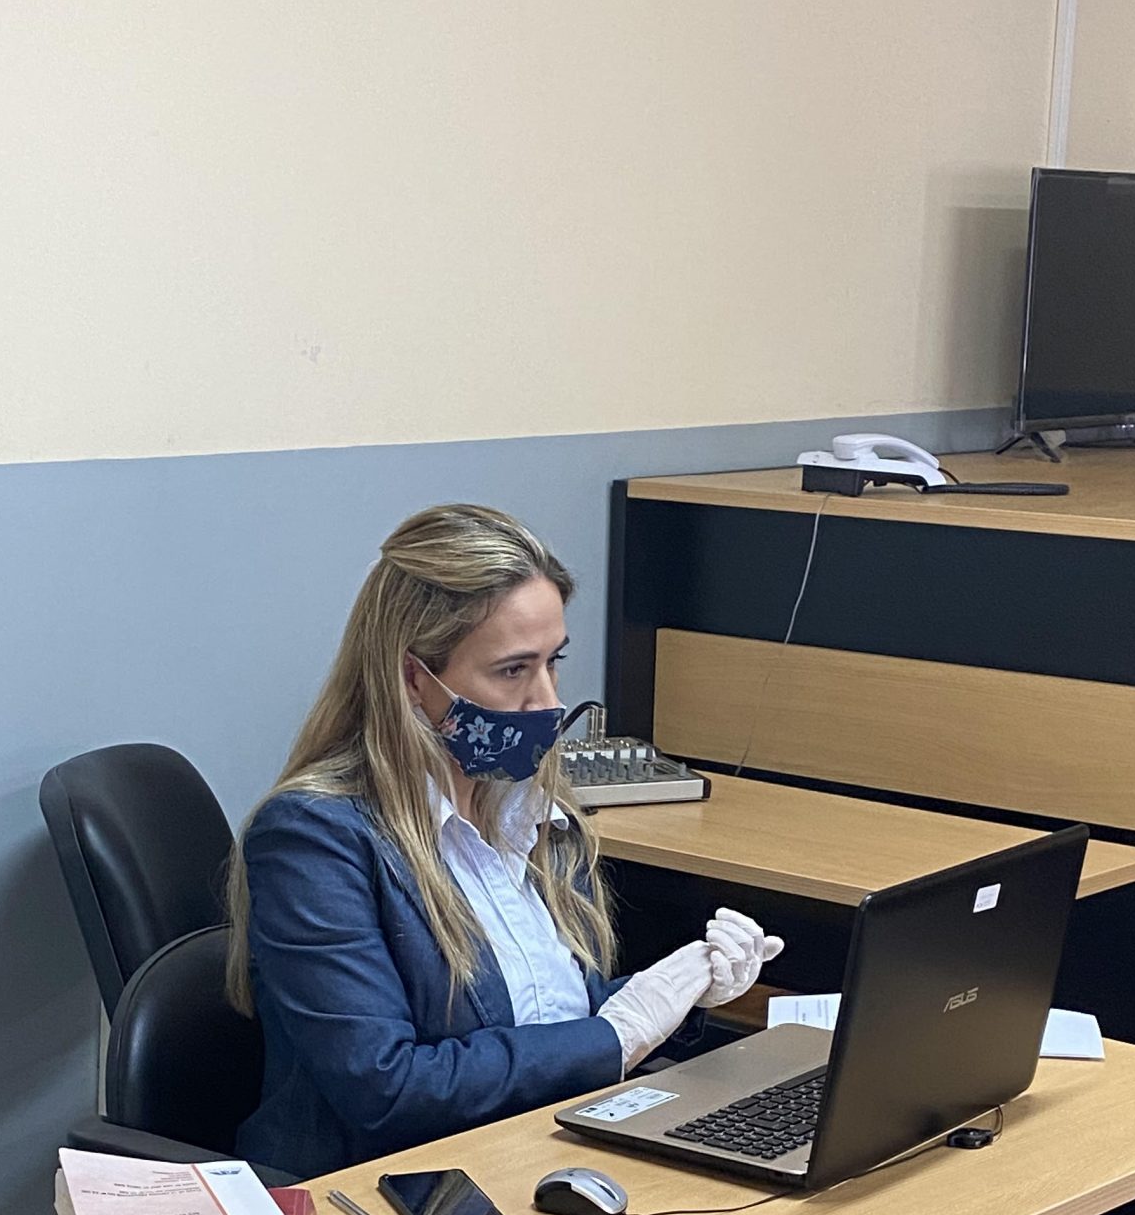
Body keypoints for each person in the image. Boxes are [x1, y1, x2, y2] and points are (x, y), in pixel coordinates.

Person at [227, 503, 782, 1179]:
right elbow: (387, 1089)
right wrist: (618, 1034)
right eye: (513, 670)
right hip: (385, 1189)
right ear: (413, 679)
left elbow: (545, 1018)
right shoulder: (314, 838)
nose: (547, 702)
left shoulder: (533, 812)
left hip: (534, 1150)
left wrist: (680, 993)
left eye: (553, 662)